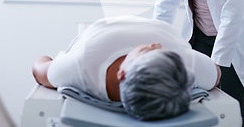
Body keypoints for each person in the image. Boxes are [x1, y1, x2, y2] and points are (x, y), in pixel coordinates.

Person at [32, 16, 221, 121]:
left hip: (101, 29)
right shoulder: (184, 61)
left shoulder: (78, 67)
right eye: (158, 51)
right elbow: (217, 74)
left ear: (121, 72)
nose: (155, 44)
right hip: (160, 26)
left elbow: (39, 67)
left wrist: (53, 61)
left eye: (147, 50)